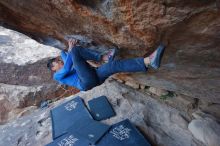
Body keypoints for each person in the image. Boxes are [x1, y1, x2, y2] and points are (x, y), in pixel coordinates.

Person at [47, 39, 165, 91]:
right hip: (86, 82)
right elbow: (68, 65)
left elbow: (64, 55)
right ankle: (103, 57)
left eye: (58, 60)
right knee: (75, 51)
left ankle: (149, 61)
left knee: (113, 66)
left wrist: (65, 51)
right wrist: (71, 48)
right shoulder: (57, 76)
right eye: (56, 63)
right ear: (53, 69)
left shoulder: (62, 65)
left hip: (94, 77)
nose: (59, 62)